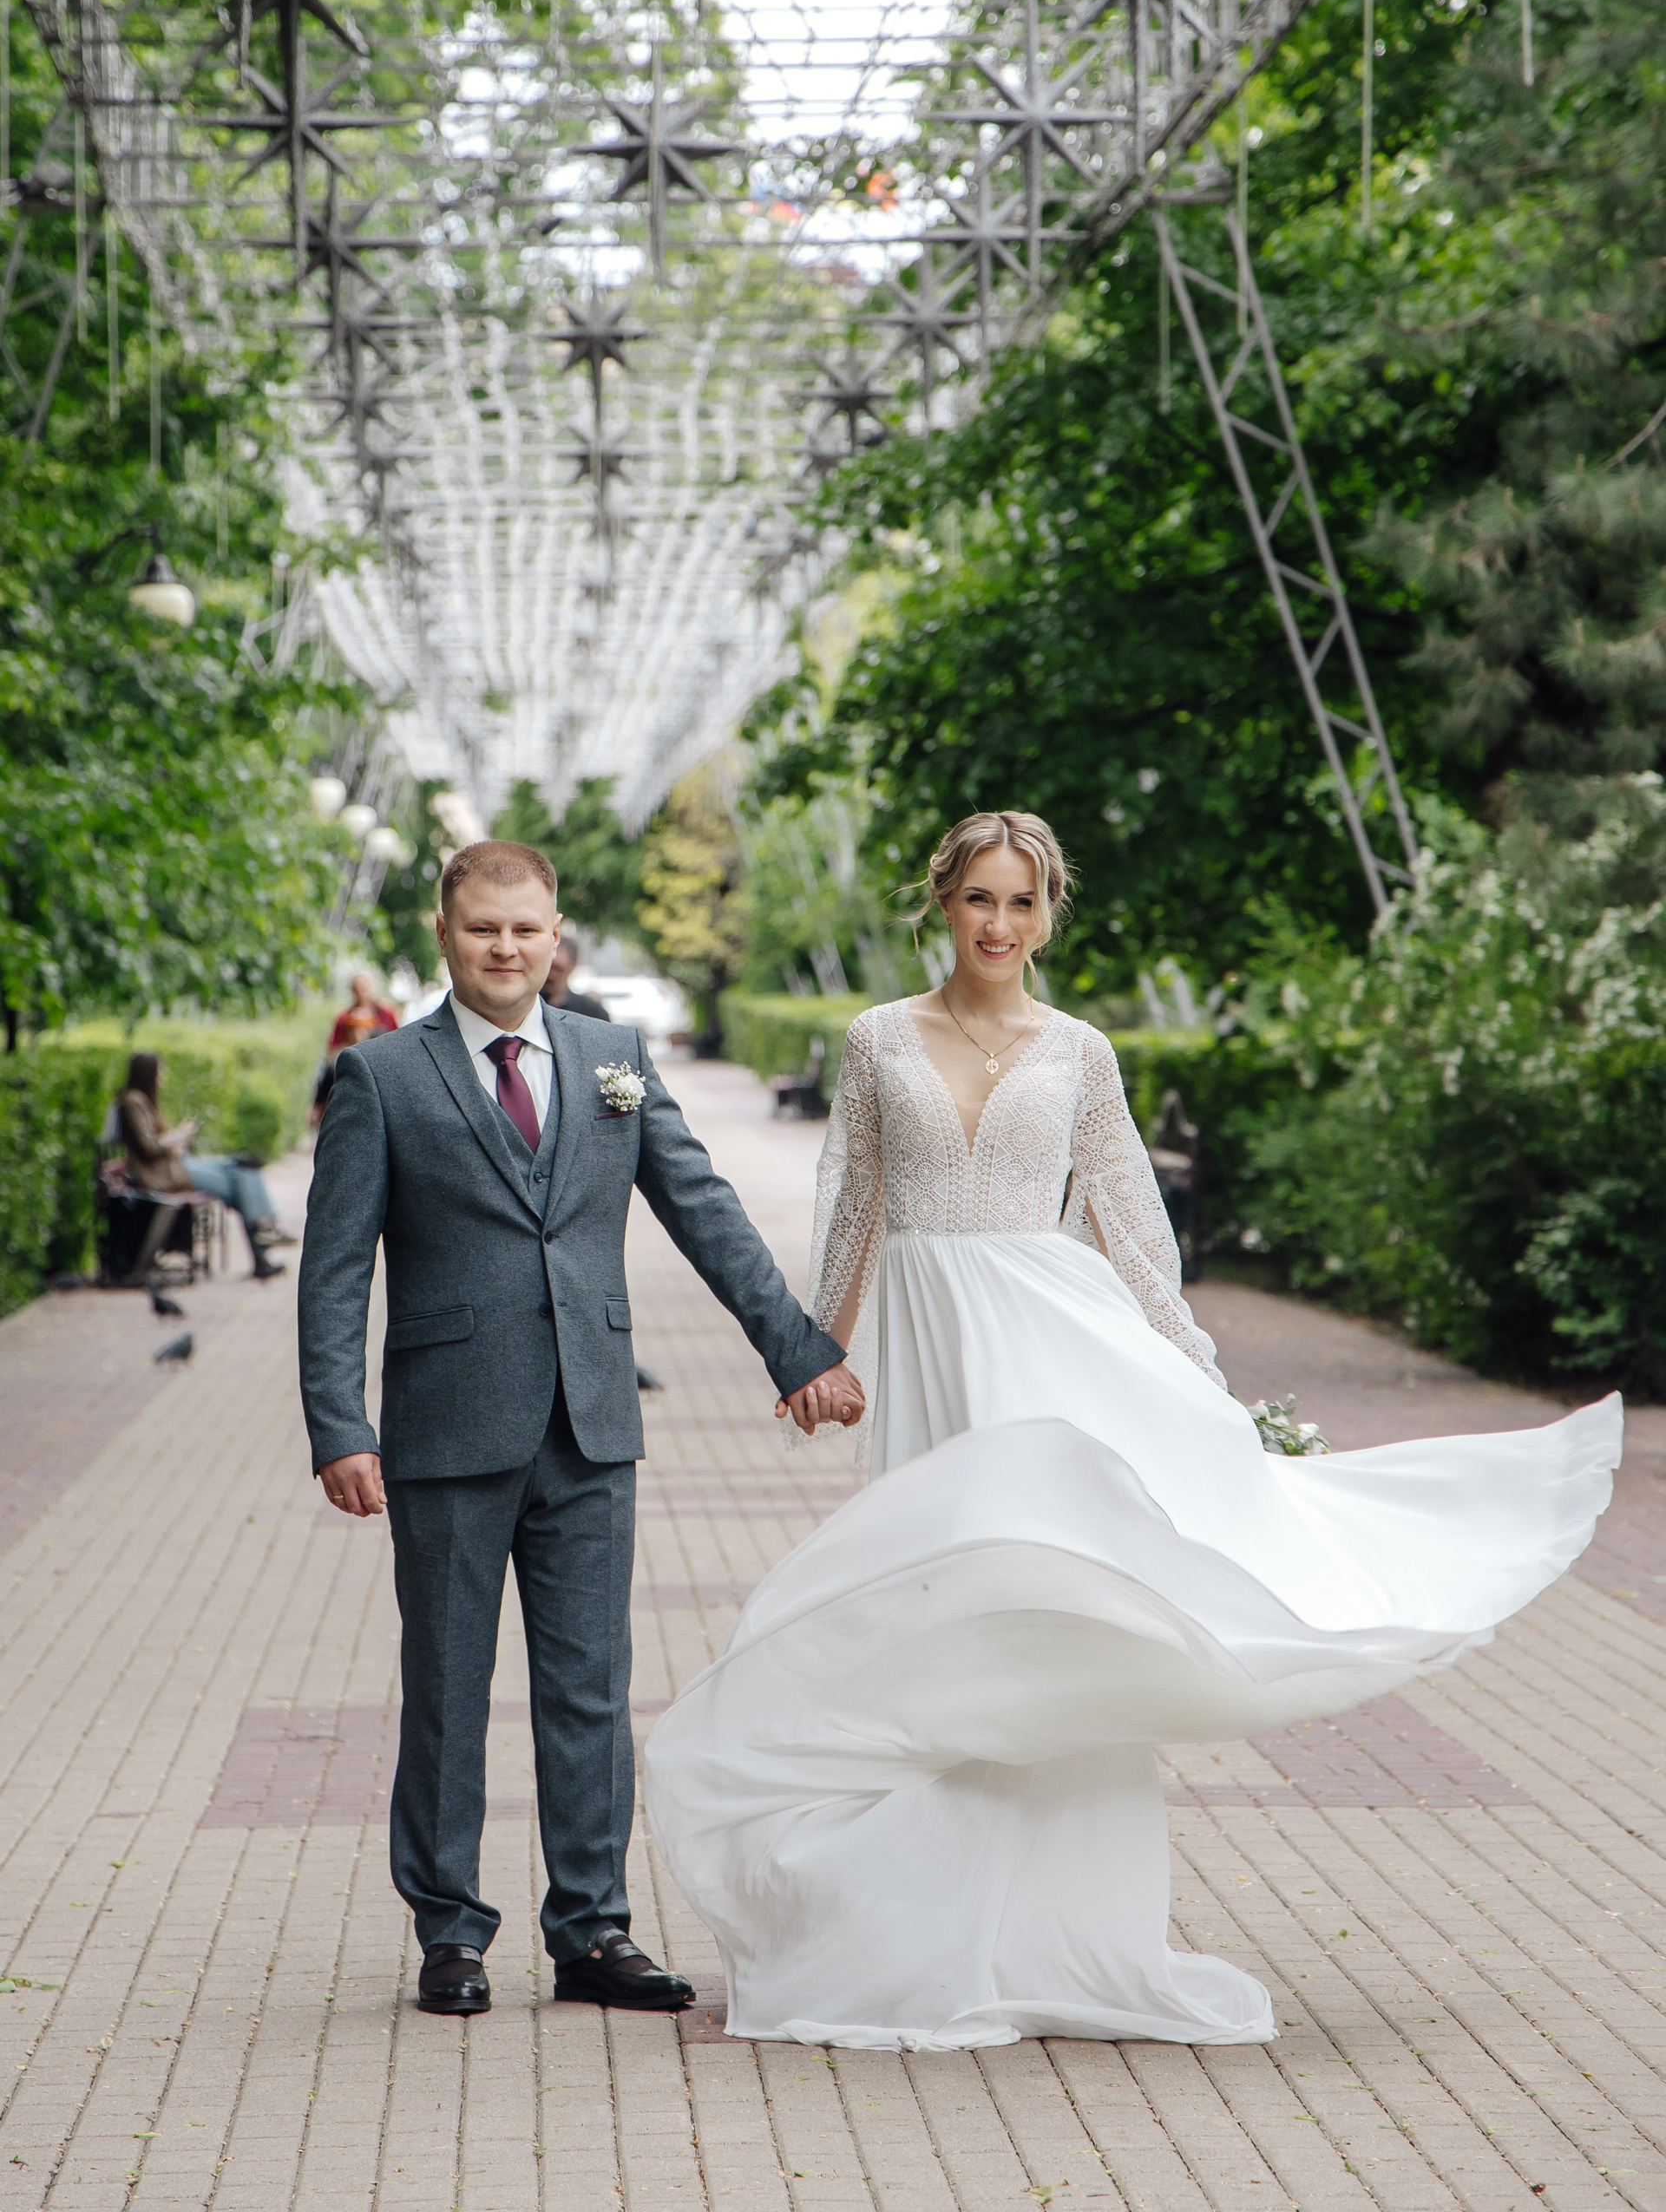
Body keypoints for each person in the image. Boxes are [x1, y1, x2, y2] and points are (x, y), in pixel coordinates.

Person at [643, 809, 1623, 2051]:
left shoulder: (1082, 1051)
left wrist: (1207, 1385)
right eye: (980, 898)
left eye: (1023, 902)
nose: (1000, 924)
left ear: (1049, 914)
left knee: (1045, 1622)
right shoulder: (877, 1037)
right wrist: (815, 1351)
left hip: (1048, 1350)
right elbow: (853, 1205)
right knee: (941, 1625)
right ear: (943, 903)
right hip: (933, 1349)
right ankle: (924, 1941)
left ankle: (1055, 1939)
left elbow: (1131, 1227)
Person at [296, 839, 863, 2020]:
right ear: (444, 935)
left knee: (592, 1691)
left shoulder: (615, 1061)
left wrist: (799, 1349)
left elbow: (704, 1209)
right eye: (483, 928)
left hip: (592, 1423)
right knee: (448, 1690)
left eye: (526, 928)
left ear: (557, 937)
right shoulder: (383, 1077)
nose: (505, 948)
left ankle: (592, 1929)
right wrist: (340, 1424)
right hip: (447, 1430)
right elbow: (335, 1267)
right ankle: (451, 1933)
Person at [116, 1055, 291, 1280]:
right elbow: (148, 1147)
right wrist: (177, 1136)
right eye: (160, 1071)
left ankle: (264, 1230)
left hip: (177, 1164)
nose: (163, 1076)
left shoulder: (142, 1100)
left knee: (242, 1166)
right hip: (165, 1173)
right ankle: (263, 1235)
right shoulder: (133, 1101)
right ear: (147, 1073)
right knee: (239, 1179)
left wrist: (175, 1140)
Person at [541, 933, 610, 1020]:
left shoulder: (592, 1013)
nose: (552, 975)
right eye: (549, 968)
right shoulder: (529, 1008)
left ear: (572, 967)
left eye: (558, 970)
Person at [328, 971, 399, 1051]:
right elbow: (333, 1049)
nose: (360, 991)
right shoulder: (344, 1018)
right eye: (357, 988)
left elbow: (397, 1041)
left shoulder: (386, 1013)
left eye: (363, 988)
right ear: (352, 990)